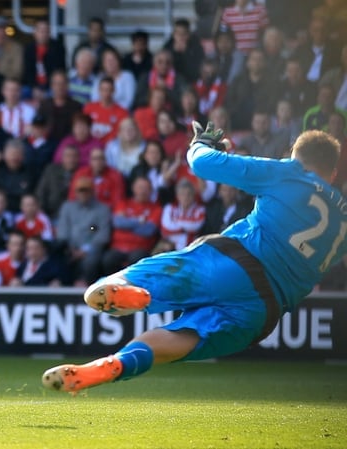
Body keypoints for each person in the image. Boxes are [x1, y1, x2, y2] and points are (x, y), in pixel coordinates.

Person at [42, 122, 347, 395]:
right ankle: (115, 364)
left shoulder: (289, 173)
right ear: (333, 173)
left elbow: (202, 165)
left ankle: (137, 292)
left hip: (233, 263)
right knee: (179, 341)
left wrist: (199, 144)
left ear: (295, 157)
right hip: (261, 313)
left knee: (125, 281)